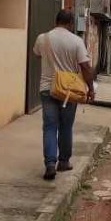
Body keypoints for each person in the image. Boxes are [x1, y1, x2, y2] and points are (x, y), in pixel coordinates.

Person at [33, 10, 95, 180]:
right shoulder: (76, 41)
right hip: (69, 91)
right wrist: (90, 88)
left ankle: (50, 164)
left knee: (50, 127)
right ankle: (64, 162)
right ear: (71, 24)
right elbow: (85, 67)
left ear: (56, 21)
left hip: (48, 89)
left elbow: (37, 55)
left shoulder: (42, 38)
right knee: (66, 127)